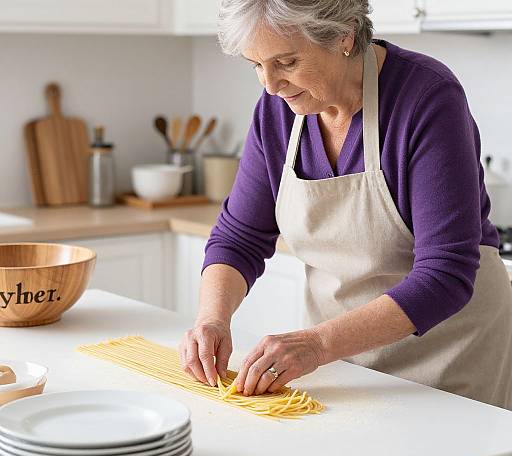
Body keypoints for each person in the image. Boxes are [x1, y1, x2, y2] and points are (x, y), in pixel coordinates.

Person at [179, 0, 512, 408]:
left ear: (344, 37)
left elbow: (446, 273)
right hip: (341, 356)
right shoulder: (278, 110)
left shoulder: (426, 97)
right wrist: (212, 319)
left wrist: (317, 344)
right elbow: (239, 237)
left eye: (286, 62)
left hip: (452, 352)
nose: (270, 84)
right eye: (255, 64)